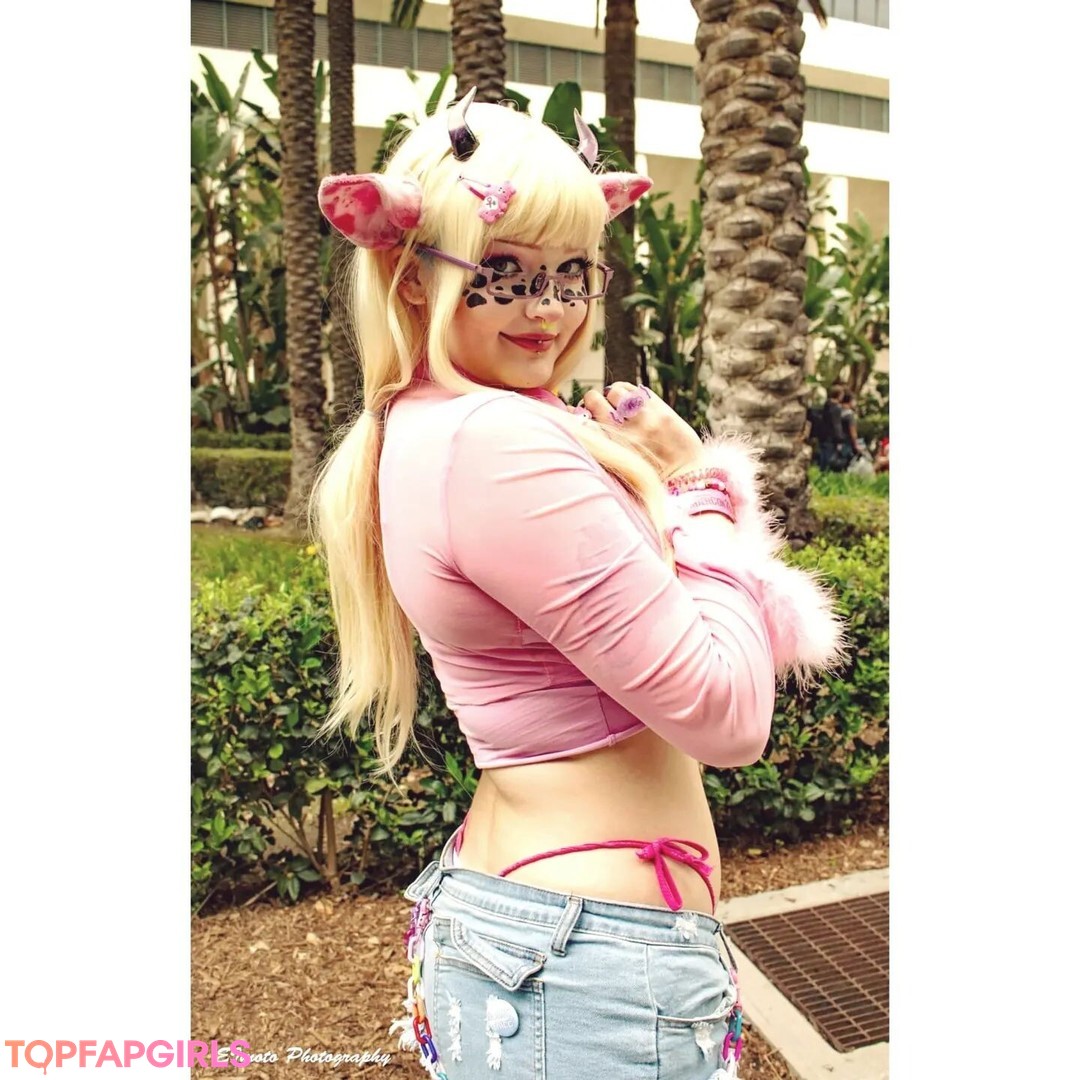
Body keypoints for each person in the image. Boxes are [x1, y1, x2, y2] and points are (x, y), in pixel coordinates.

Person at [309, 89, 844, 1080]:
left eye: (571, 273)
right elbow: (728, 716)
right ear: (414, 276)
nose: (549, 308)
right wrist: (697, 488)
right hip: (589, 960)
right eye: (504, 274)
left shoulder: (437, 423)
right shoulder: (496, 443)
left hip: (558, 940)